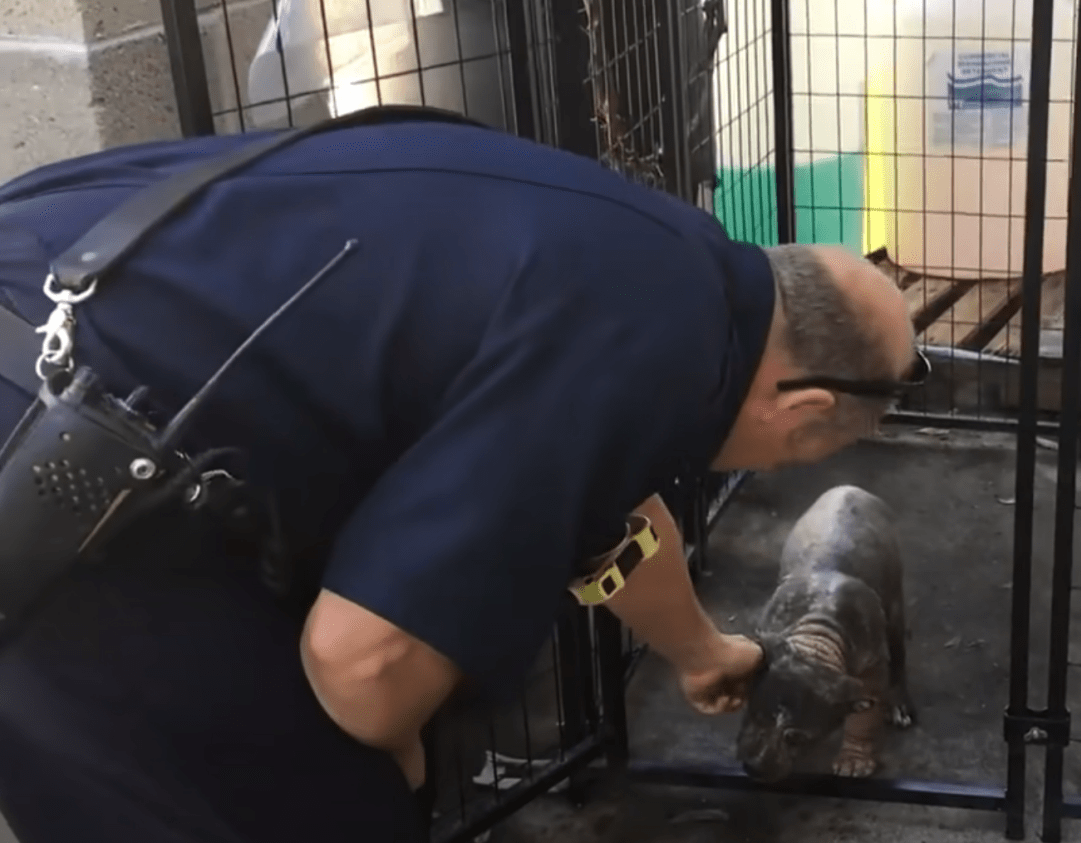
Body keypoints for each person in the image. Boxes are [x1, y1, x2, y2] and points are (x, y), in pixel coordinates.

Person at [0, 109, 925, 843]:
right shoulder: (648, 348)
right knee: (322, 802)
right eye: (800, 454)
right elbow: (361, 661)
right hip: (52, 453)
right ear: (801, 412)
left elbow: (602, 507)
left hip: (67, 325)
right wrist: (393, 751)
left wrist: (699, 649)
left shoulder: (662, 264)